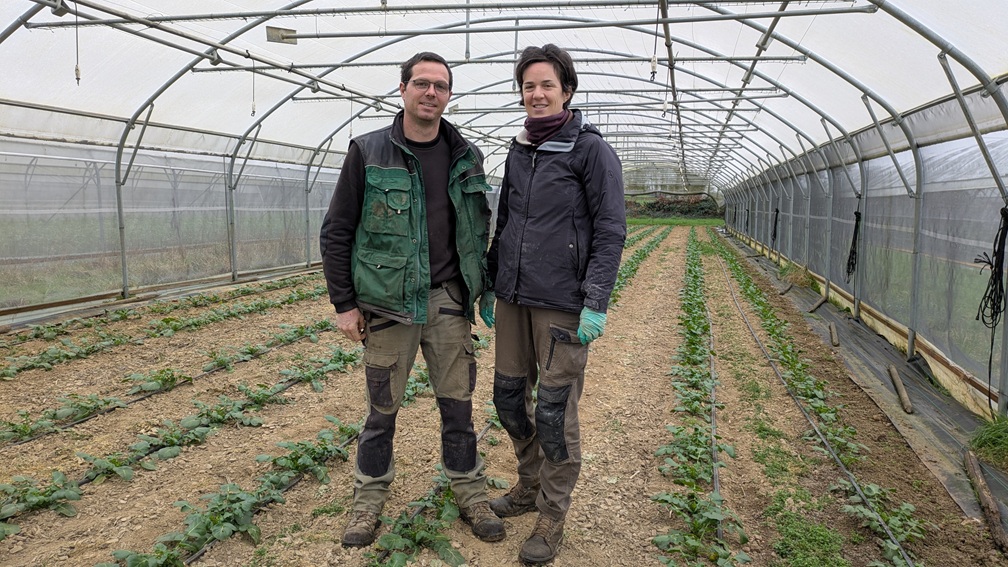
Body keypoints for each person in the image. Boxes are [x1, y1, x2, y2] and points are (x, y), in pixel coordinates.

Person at [319, 51, 503, 548]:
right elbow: (338, 230)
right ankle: (367, 503)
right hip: (388, 304)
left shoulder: (467, 155)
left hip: (447, 300)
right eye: (420, 83)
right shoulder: (369, 151)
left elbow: (478, 227)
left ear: (448, 95)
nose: (430, 93)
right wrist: (344, 303)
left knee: (458, 408)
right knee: (382, 412)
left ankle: (470, 494)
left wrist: (481, 286)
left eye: (439, 86)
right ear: (401, 89)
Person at [486, 44, 626, 565]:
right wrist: (489, 282)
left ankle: (551, 513)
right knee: (507, 398)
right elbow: (506, 223)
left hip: (563, 304)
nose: (537, 94)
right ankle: (527, 485)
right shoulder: (518, 149)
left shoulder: (590, 150)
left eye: (547, 85)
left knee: (554, 410)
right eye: (528, 86)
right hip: (513, 297)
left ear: (567, 90)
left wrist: (595, 300)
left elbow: (611, 229)